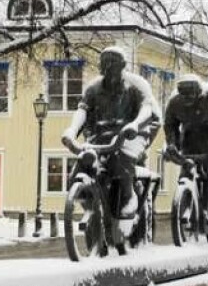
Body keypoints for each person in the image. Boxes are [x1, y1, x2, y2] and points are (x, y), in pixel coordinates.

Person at [60, 46, 159, 219]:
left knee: (122, 155)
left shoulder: (136, 85)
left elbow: (147, 108)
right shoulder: (93, 88)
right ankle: (87, 199)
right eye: (105, 65)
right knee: (84, 160)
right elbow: (82, 110)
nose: (109, 70)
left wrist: (135, 125)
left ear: (123, 67)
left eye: (113, 66)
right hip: (101, 136)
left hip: (132, 134)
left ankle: (129, 196)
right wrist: (72, 130)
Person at [161, 75, 208, 222]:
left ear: (199, 93)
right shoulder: (175, 102)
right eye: (185, 96)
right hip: (190, 138)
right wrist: (172, 143)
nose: (188, 100)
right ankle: (186, 203)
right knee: (187, 167)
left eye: (191, 96)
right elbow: (170, 124)